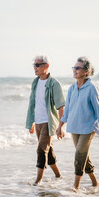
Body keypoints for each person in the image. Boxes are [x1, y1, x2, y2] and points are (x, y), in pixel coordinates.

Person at [56, 57, 99, 190]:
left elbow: (98, 110)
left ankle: (76, 187)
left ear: (86, 71)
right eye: (74, 67)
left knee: (79, 154)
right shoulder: (72, 88)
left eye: (78, 68)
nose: (75, 70)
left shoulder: (91, 88)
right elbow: (67, 109)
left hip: (88, 127)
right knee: (84, 156)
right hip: (74, 127)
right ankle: (95, 182)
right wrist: (60, 126)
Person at [26, 55, 65, 185]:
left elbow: (61, 106)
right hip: (37, 122)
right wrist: (32, 121)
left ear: (46, 66)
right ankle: (58, 175)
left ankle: (38, 181)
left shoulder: (54, 83)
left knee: (41, 150)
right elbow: (34, 103)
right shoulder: (35, 82)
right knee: (48, 151)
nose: (35, 68)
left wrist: (60, 126)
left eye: (38, 65)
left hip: (48, 122)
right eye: (34, 65)